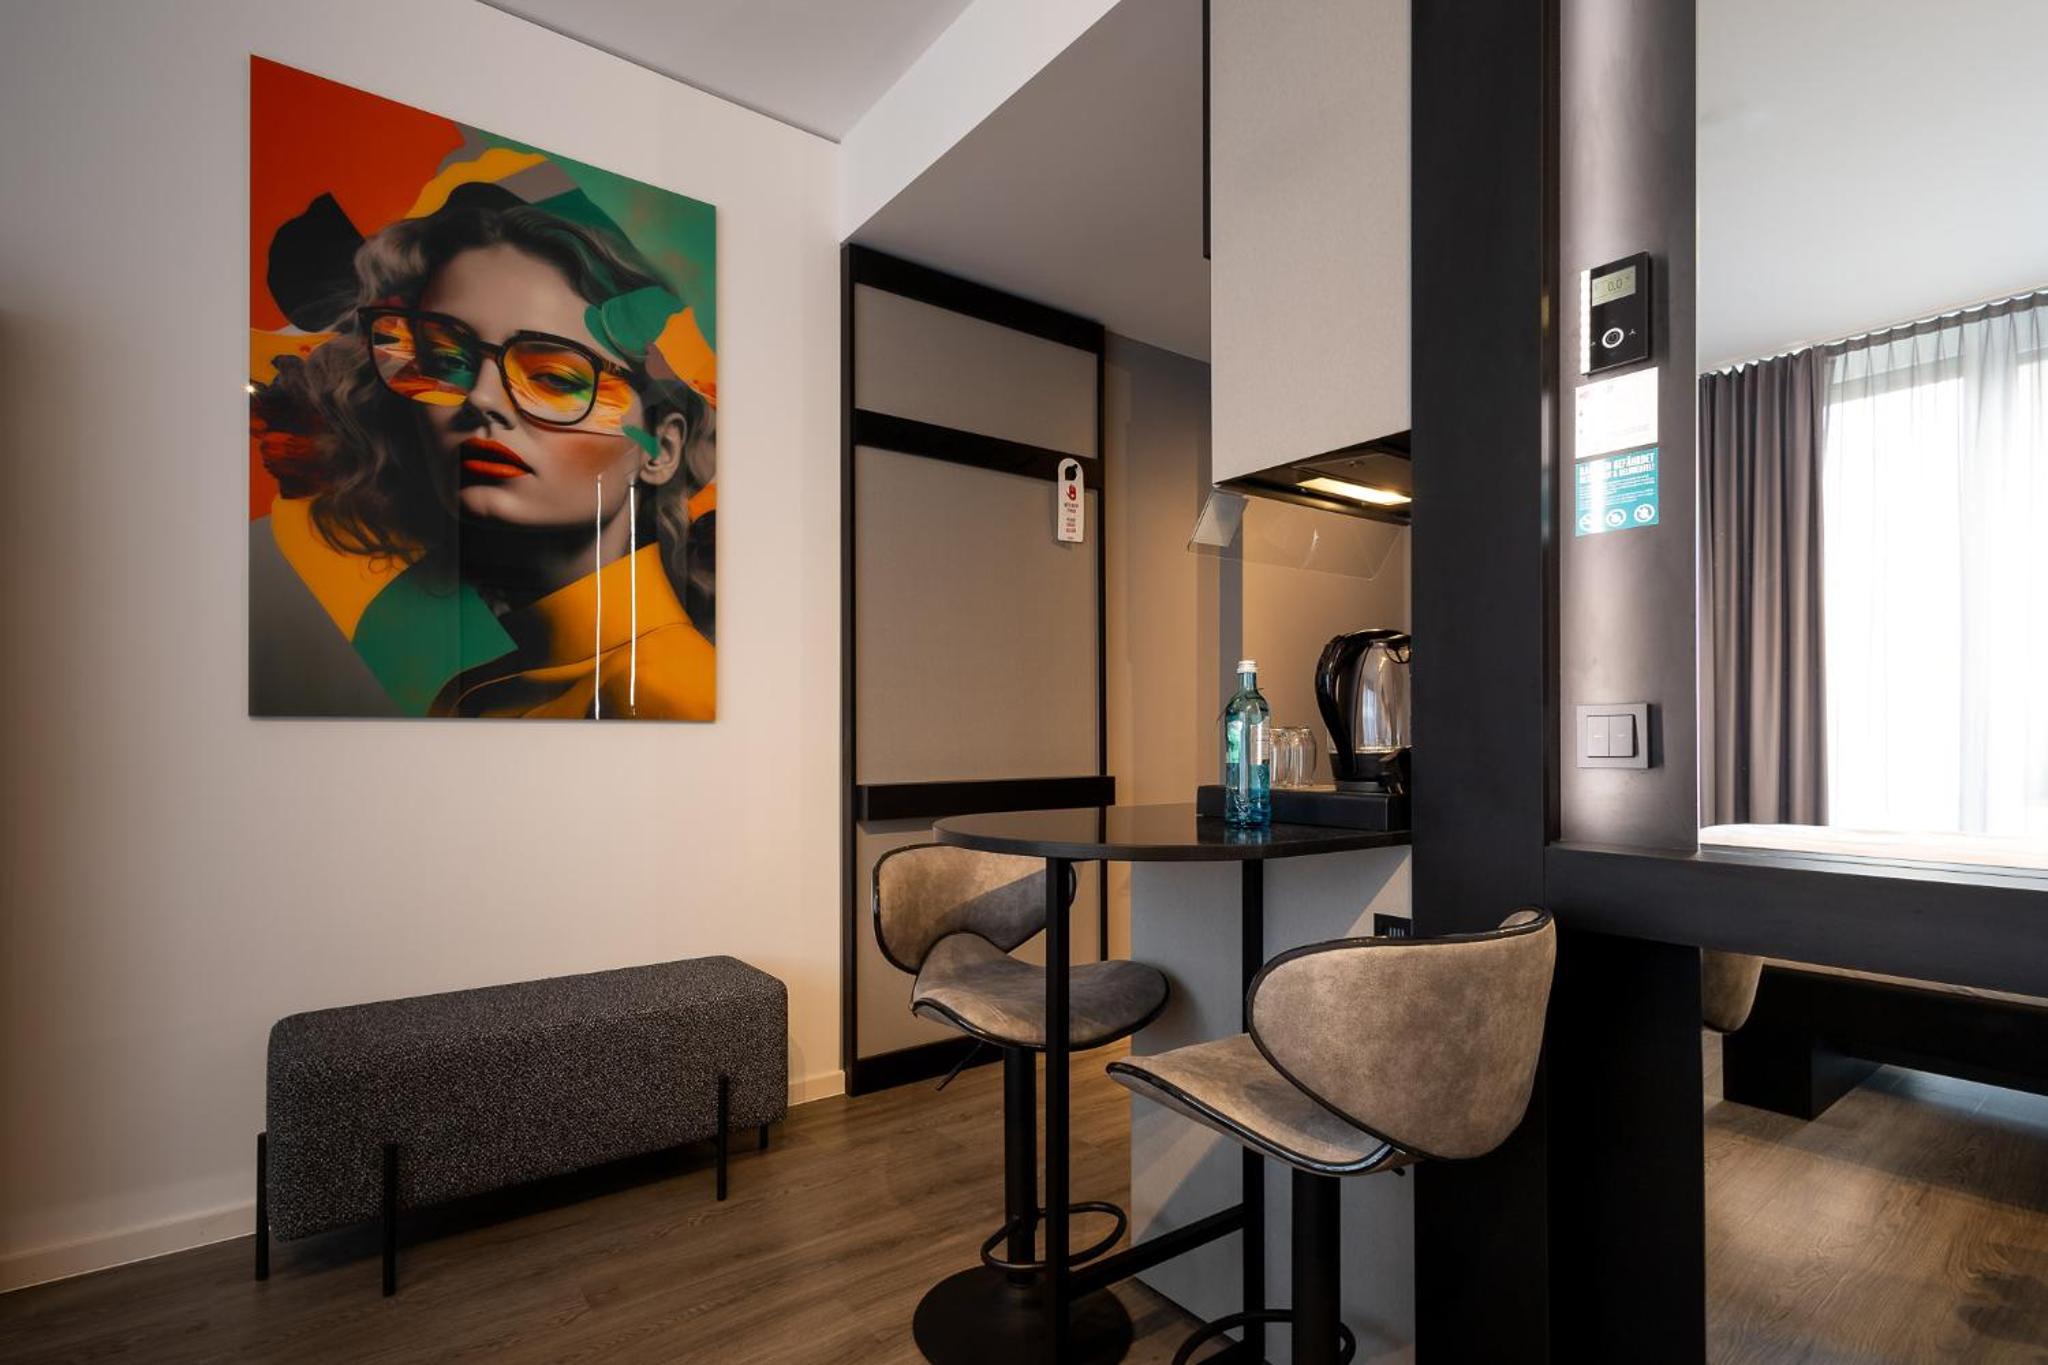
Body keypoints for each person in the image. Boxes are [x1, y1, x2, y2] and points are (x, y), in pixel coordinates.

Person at [254, 198, 715, 719]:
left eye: (553, 377)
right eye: (446, 361)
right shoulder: (471, 694)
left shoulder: (662, 692)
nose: (481, 397)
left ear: (661, 450)